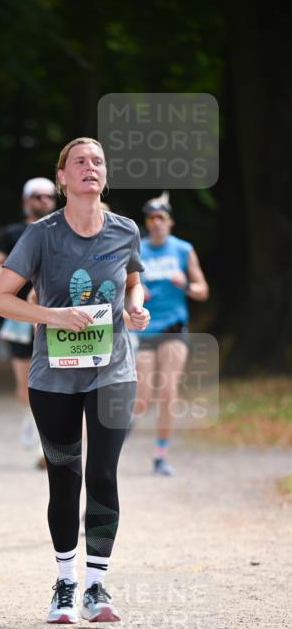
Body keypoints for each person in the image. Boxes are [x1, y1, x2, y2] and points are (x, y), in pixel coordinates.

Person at [0, 137, 150, 625]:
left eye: (98, 161)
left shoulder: (125, 229)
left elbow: (132, 279)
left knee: (102, 475)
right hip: (53, 378)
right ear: (62, 178)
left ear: (106, 175)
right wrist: (52, 316)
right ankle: (64, 582)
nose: (90, 168)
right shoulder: (41, 235)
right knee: (65, 477)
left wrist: (134, 304)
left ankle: (97, 586)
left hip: (113, 372)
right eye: (79, 162)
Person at [133, 193, 209, 475]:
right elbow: (123, 285)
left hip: (174, 327)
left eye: (161, 218)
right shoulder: (137, 249)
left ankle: (161, 454)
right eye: (151, 219)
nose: (156, 224)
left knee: (167, 392)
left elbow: (203, 290)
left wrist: (186, 284)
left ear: (170, 222)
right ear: (147, 223)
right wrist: (137, 293)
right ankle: (130, 423)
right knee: (141, 397)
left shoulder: (183, 249)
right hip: (144, 328)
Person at [0, 178, 57, 463]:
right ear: (26, 200)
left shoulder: (62, 230)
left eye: (50, 197)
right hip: (19, 316)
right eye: (38, 197)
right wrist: (18, 272)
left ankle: (49, 442)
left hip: (55, 315)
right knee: (25, 384)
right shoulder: (12, 233)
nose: (45, 201)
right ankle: (33, 416)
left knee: (57, 381)